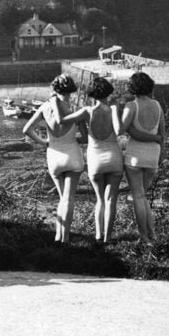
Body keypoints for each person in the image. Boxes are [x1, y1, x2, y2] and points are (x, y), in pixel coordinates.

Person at [57, 77, 124, 243]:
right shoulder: (114, 109)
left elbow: (62, 122)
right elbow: (120, 130)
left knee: (100, 200)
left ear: (91, 94)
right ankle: (108, 238)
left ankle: (98, 235)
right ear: (108, 92)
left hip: (95, 158)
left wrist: (56, 104)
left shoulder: (87, 111)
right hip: (114, 156)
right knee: (111, 200)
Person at [23, 74, 87, 243]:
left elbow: (27, 129)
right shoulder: (74, 110)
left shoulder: (45, 106)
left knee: (62, 199)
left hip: (53, 155)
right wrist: (73, 139)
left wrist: (43, 142)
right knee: (69, 199)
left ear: (54, 88)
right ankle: (65, 238)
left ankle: (58, 236)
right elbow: (86, 138)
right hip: (72, 155)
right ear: (71, 90)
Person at [118, 71, 166, 245]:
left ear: (133, 88)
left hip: (135, 155)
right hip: (153, 154)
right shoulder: (157, 105)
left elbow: (121, 129)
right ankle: (152, 234)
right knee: (142, 196)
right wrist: (161, 153)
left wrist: (118, 112)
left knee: (138, 196)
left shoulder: (132, 106)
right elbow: (162, 133)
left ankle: (144, 237)